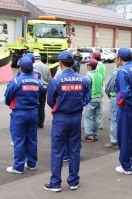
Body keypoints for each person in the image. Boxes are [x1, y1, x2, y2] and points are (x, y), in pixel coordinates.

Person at [44, 51, 91, 192]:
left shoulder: (56, 80)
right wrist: (80, 104)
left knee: (57, 150)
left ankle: (55, 183)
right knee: (74, 150)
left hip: (61, 118)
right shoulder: (83, 80)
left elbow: (50, 101)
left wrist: (59, 108)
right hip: (76, 118)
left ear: (60, 63)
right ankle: (73, 181)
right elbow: (87, 96)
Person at [4, 57, 43, 173]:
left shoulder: (16, 81)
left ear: (20, 68)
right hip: (33, 113)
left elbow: (8, 97)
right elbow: (40, 94)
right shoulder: (38, 82)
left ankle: (18, 166)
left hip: (19, 113)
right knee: (32, 139)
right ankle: (31, 163)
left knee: (19, 140)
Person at [83, 59, 103, 142]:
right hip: (99, 99)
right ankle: (95, 134)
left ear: (90, 66)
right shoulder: (99, 75)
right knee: (95, 118)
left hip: (91, 99)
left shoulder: (88, 76)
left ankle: (89, 135)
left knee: (88, 118)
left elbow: (85, 88)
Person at [33, 52, 51, 128]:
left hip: (36, 89)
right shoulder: (46, 66)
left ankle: (35, 122)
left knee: (35, 105)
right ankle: (41, 123)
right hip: (44, 88)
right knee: (41, 106)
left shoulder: (32, 66)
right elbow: (49, 79)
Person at [104, 64, 120, 148]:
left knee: (114, 119)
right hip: (126, 98)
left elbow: (108, 86)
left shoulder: (116, 72)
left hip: (116, 97)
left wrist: (109, 94)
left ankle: (115, 141)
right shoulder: (130, 70)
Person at [92, 52, 106, 129]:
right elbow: (103, 76)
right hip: (101, 86)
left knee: (93, 107)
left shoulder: (95, 65)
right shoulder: (103, 65)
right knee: (100, 107)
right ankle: (99, 124)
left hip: (95, 87)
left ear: (94, 57)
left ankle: (93, 124)